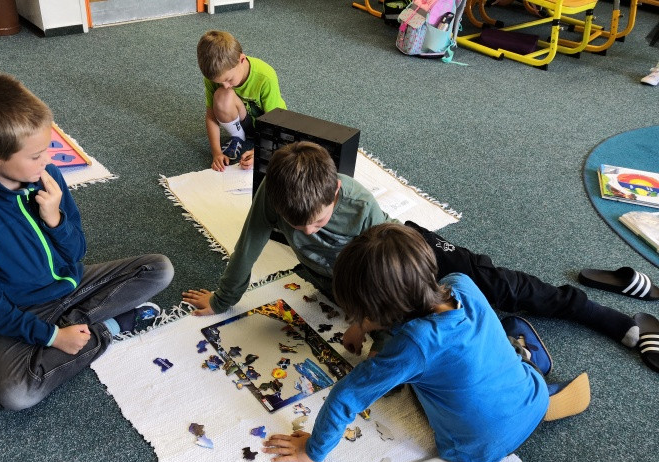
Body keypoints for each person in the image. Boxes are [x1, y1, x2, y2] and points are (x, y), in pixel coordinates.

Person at [182, 141, 647, 362]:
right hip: (349, 282)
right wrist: (223, 300)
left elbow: (385, 274)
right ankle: (505, 342)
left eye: (318, 223)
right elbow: (248, 245)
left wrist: (362, 322)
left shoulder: (361, 203)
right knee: (421, 338)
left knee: (498, 284)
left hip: (402, 252)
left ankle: (602, 315)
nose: (305, 233)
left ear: (335, 195)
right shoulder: (273, 193)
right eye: (294, 226)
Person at [261, 223, 590, 462]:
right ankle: (527, 363)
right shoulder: (461, 283)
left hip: (473, 450)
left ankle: (519, 373)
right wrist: (363, 324)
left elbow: (345, 396)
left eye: (361, 313)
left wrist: (312, 451)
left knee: (409, 376)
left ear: (381, 311)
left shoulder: (412, 344)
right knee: (493, 341)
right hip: (533, 398)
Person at [0, 72, 173, 411]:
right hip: (22, 310)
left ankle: (76, 330)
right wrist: (51, 336)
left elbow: (77, 251)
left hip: (72, 283)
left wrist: (55, 219)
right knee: (16, 395)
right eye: (35, 156)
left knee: (159, 269)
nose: (48, 160)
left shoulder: (47, 176)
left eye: (48, 148)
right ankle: (105, 328)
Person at [197, 30, 286, 172]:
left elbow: (276, 122)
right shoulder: (215, 75)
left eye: (229, 79)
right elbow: (211, 116)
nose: (225, 85)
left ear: (242, 60)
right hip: (244, 121)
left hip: (270, 125)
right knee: (222, 95)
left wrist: (261, 152)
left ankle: (254, 140)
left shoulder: (265, 76)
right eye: (219, 82)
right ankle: (238, 136)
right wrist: (216, 152)